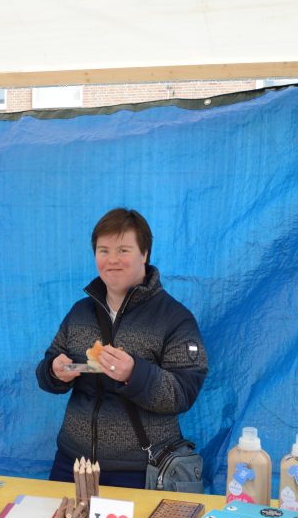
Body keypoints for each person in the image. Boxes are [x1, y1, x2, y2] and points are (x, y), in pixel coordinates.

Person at [36, 208, 208, 488]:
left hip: (139, 470)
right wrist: (54, 371)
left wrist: (134, 374)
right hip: (72, 463)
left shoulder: (174, 318)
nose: (112, 260)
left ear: (145, 254)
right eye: (103, 251)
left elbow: (184, 392)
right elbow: (46, 369)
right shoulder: (80, 312)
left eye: (123, 250)